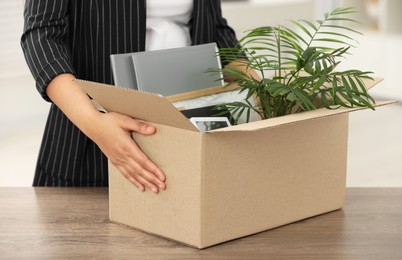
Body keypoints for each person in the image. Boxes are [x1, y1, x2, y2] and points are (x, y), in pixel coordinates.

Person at [21, 0, 257, 192]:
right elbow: (42, 34)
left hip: (186, 127)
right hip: (92, 131)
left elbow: (215, 28)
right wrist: (95, 123)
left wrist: (263, 93)